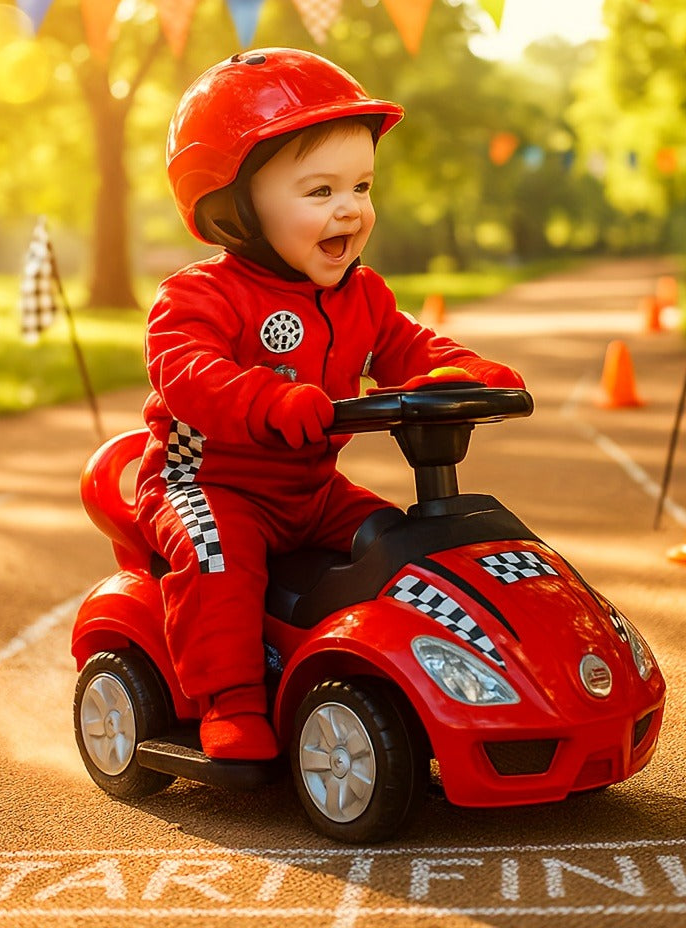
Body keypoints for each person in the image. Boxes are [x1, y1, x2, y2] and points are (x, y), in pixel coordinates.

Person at [135, 48, 526, 761]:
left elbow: (407, 347)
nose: (350, 208)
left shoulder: (361, 294)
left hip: (311, 491)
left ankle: (402, 674)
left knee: (397, 542)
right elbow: (185, 371)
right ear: (233, 208)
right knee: (219, 558)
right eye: (319, 191)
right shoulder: (198, 296)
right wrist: (267, 398)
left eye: (362, 186)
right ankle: (231, 700)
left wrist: (463, 372)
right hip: (207, 482)